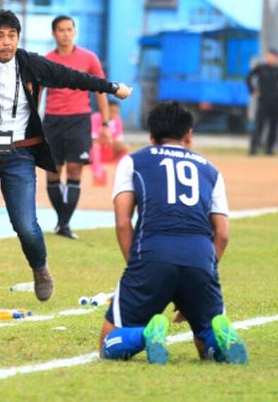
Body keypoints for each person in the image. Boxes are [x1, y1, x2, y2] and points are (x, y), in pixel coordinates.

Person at [0, 9, 131, 309]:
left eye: (11, 36)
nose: (6, 43)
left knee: (26, 226)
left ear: (18, 38)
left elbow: (72, 77)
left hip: (19, 154)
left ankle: (39, 267)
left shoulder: (31, 63)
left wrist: (111, 88)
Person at [99, 101, 248, 365]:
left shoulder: (133, 162)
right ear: (188, 134)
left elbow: (123, 223)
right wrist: (197, 278)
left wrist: (138, 268)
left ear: (151, 136)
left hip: (152, 254)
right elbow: (222, 234)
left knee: (108, 343)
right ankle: (219, 340)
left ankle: (146, 336)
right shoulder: (211, 170)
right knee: (205, 344)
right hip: (200, 257)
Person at [43, 15, 111, 239]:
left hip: (79, 120)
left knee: (74, 171)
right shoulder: (46, 60)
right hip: (52, 121)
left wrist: (105, 123)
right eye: (61, 30)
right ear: (53, 34)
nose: (65, 34)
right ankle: (63, 222)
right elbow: (37, 92)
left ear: (75, 32)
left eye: (69, 29)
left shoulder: (89, 58)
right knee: (53, 173)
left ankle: (64, 223)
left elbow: (101, 91)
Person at [247, 47, 278, 155]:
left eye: (273, 57)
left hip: (275, 103)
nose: (271, 58)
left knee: (273, 127)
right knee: (259, 125)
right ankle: (253, 149)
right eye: (269, 56)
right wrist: (253, 90)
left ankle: (269, 149)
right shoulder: (261, 68)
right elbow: (249, 77)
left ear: (277, 58)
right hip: (263, 101)